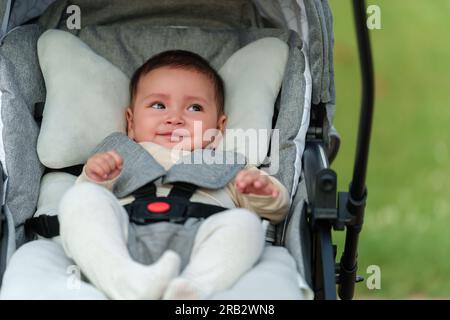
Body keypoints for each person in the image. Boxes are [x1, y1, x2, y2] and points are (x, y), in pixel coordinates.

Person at [58, 50, 290, 300]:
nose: (175, 118)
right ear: (131, 122)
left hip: (201, 246)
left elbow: (275, 211)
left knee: (246, 224)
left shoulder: (227, 165)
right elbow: (90, 207)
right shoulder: (116, 157)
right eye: (158, 105)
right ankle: (126, 283)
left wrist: (262, 191)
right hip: (125, 240)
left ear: (219, 127)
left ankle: (193, 289)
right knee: (80, 200)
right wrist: (97, 179)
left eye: (194, 107)